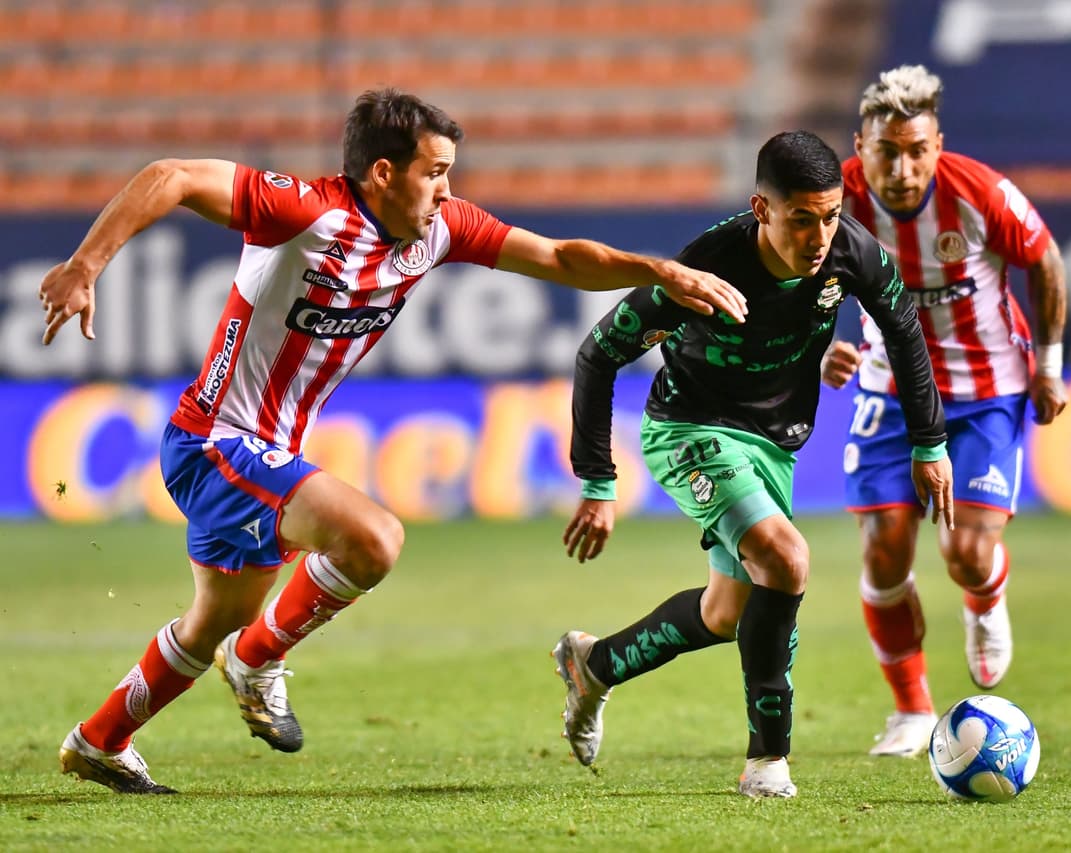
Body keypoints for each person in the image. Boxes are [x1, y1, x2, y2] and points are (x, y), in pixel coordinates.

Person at [39, 88, 751, 795]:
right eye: (435, 172)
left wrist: (658, 270)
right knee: (373, 539)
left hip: (267, 452)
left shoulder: (439, 231)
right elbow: (170, 175)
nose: (448, 191)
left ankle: (100, 741)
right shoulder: (304, 212)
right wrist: (85, 266)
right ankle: (256, 659)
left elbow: (561, 258)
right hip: (215, 442)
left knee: (212, 624)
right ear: (383, 172)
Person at [551, 130, 954, 799]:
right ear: (761, 209)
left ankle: (594, 664)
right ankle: (767, 761)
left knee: (724, 614)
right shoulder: (708, 267)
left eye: (831, 216)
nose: (820, 236)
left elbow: (903, 328)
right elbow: (599, 354)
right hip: (690, 428)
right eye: (802, 219)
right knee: (787, 559)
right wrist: (598, 481)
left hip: (773, 443)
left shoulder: (850, 251)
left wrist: (929, 444)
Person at [825, 64, 1069, 758]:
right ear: (861, 148)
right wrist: (822, 349)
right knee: (883, 551)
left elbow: (1046, 262)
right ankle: (910, 709)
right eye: (886, 152)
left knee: (966, 552)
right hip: (889, 390)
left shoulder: (980, 194)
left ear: (937, 147)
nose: (902, 170)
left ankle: (984, 599)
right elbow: (792, 276)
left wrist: (1048, 367)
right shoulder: (835, 199)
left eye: (916, 151)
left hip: (982, 389)